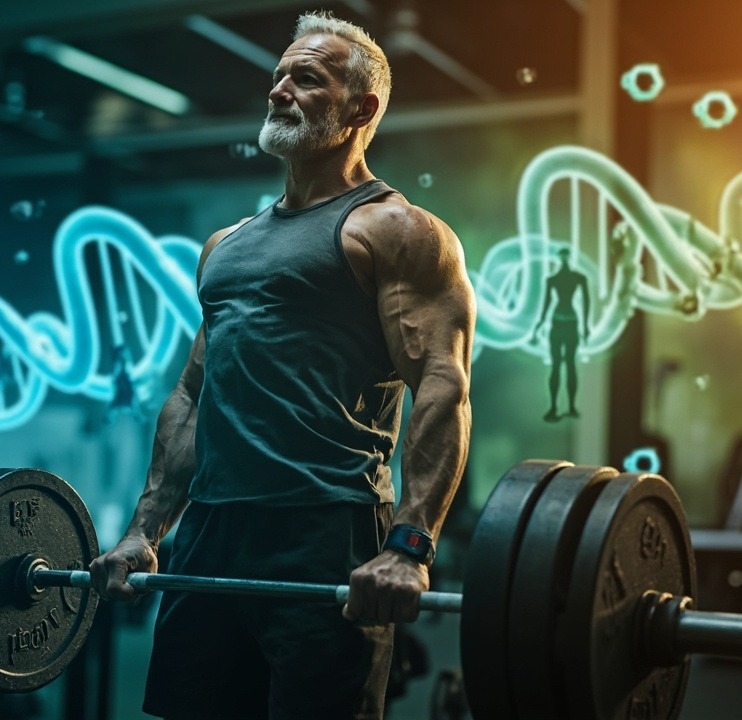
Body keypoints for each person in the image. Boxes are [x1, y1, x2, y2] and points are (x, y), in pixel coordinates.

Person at [89, 11, 475, 720]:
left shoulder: (394, 229)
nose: (279, 90)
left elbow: (442, 387)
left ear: (362, 108)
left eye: (306, 77)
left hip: (327, 529)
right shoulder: (225, 245)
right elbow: (192, 394)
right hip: (211, 532)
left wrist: (410, 547)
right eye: (277, 76)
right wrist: (147, 530)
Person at [531, 246, 589, 422]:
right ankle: (554, 406)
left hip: (570, 323)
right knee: (557, 366)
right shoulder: (553, 280)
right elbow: (547, 302)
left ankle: (571, 406)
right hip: (559, 323)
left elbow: (587, 302)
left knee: (569, 365)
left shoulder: (578, 278)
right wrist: (540, 324)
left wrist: (586, 326)